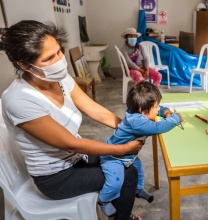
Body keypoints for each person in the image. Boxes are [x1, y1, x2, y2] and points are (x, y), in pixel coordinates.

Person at [0, 20, 143, 220]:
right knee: (128, 173)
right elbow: (71, 144)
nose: (59, 60)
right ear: (24, 65)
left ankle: (116, 210)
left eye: (59, 51)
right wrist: (122, 148)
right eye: (49, 58)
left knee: (126, 161)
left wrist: (130, 127)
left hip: (76, 160)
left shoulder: (59, 78)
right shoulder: (19, 99)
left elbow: (93, 109)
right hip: (56, 178)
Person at [98, 81, 183, 217]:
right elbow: (157, 128)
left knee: (138, 169)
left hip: (128, 156)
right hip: (113, 157)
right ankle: (104, 200)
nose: (158, 108)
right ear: (143, 111)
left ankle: (138, 189)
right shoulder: (137, 122)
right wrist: (175, 119)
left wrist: (165, 111)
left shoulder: (138, 112)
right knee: (115, 182)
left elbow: (155, 110)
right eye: (156, 107)